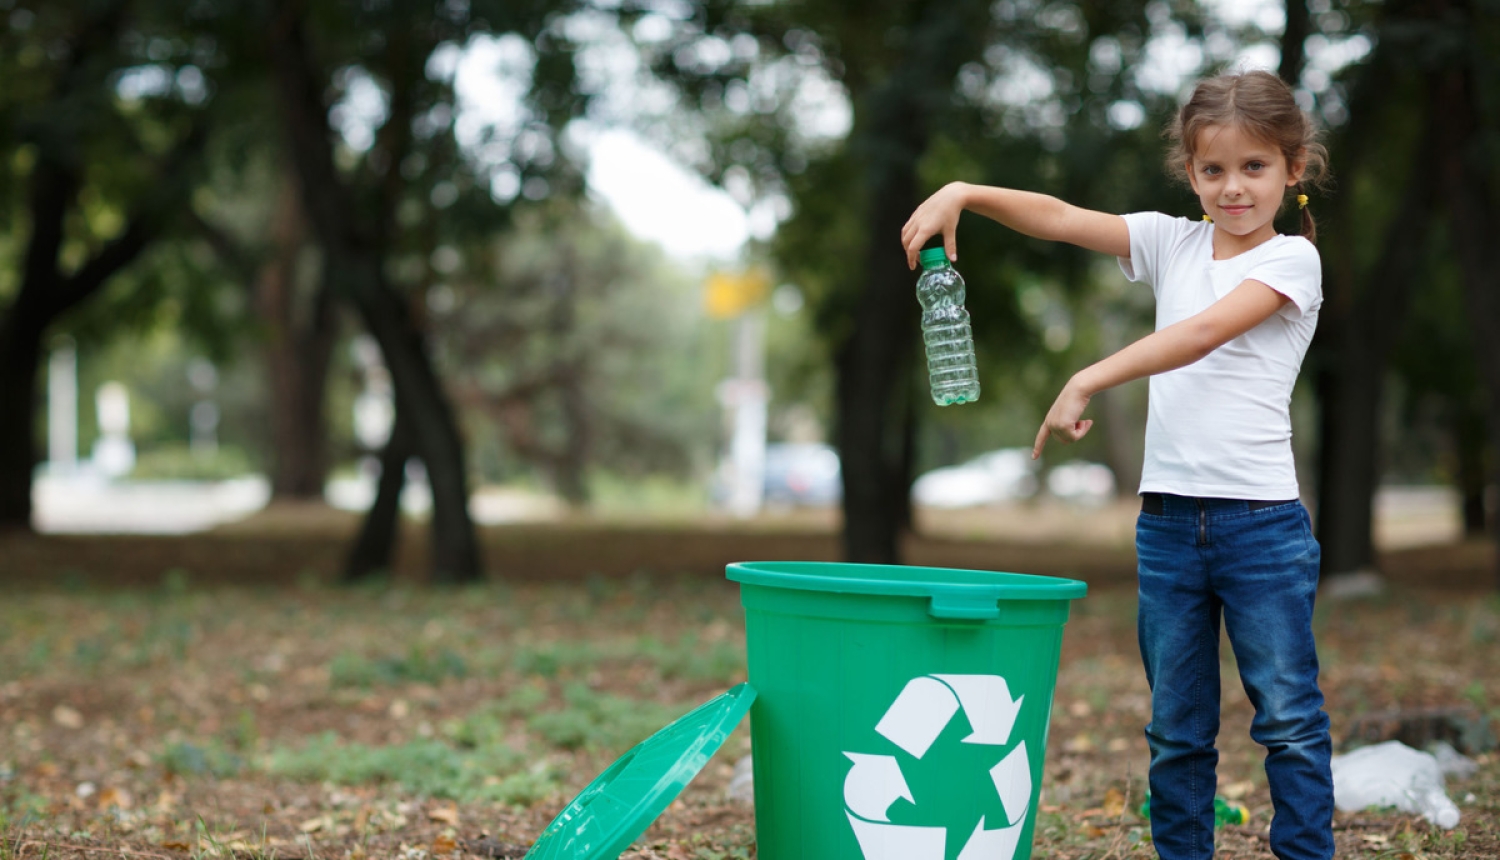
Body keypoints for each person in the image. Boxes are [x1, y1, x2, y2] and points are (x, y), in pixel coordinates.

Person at [899, 69, 1333, 860]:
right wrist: (964, 189)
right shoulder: (1174, 242)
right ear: (1191, 172)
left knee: (1288, 720)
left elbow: (1202, 334)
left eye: (1254, 167)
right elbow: (1060, 218)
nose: (1233, 188)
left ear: (1293, 169)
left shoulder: (1292, 264)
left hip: (1261, 527)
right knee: (1176, 729)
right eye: (1213, 170)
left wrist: (1089, 375)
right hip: (1167, 526)